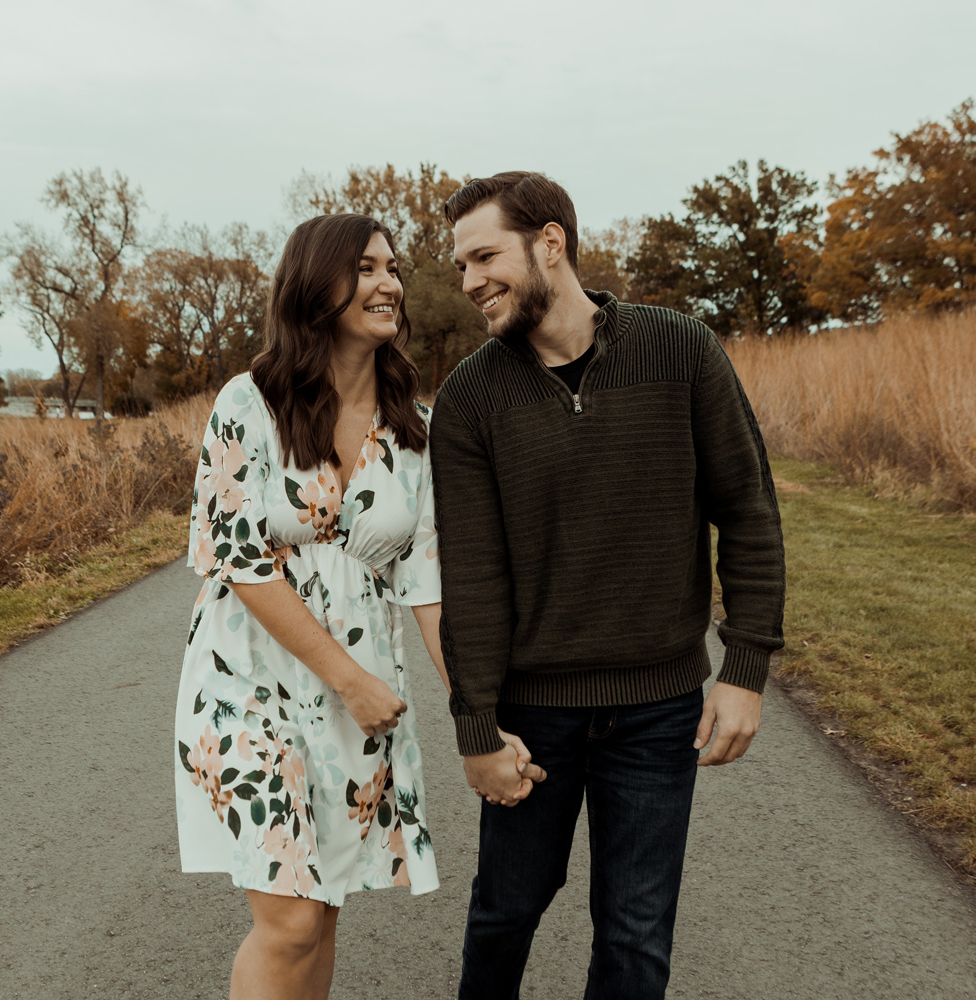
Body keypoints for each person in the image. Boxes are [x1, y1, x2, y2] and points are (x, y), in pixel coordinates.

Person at [431, 172, 787, 999]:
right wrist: (475, 726)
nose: (469, 281)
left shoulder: (682, 350)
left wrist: (745, 669)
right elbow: (475, 574)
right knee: (504, 913)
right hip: (533, 716)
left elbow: (749, 513)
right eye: (460, 265)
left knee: (634, 930)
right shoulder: (470, 398)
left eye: (484, 256)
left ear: (550, 243)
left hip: (659, 711)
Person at [173, 213, 535, 1000]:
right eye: (366, 268)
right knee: (290, 921)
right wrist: (347, 678)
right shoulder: (251, 401)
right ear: (315, 283)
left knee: (321, 909)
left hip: (355, 703)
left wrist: (475, 715)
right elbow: (236, 558)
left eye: (394, 268)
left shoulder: (414, 428)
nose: (390, 284)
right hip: (248, 685)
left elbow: (430, 585)